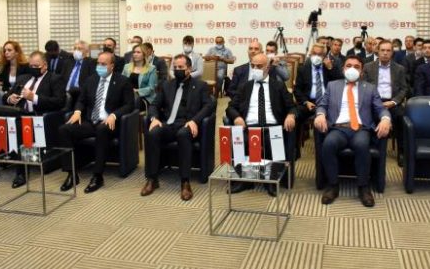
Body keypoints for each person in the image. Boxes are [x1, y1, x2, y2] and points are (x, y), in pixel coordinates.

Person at [0, 51, 66, 186]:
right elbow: (6, 96)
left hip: (37, 118)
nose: (33, 69)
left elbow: (59, 102)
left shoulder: (55, 79)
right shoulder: (23, 78)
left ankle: (21, 172)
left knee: (20, 124)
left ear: (45, 65)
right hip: (15, 114)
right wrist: (10, 99)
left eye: (36, 66)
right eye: (31, 66)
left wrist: (34, 98)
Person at [314, 55, 391, 207]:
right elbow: (322, 104)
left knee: (362, 145)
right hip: (339, 128)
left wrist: (385, 119)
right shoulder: (332, 86)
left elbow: (380, 108)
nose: (352, 69)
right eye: (348, 66)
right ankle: (333, 185)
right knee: (328, 144)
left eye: (356, 67)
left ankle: (363, 187)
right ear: (343, 69)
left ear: (361, 72)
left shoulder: (370, 88)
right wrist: (320, 114)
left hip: (361, 129)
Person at [58, 51, 134, 194]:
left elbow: (129, 105)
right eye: (98, 63)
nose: (99, 66)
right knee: (64, 129)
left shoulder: (123, 81)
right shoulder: (91, 80)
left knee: (101, 129)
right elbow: (81, 100)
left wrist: (114, 115)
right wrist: (77, 111)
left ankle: (97, 175)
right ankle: (71, 174)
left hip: (109, 123)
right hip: (90, 121)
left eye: (103, 64)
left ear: (112, 66)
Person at [141, 54, 214, 201]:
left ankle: (185, 181)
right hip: (168, 124)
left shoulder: (201, 86)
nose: (177, 70)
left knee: (183, 134)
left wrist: (194, 121)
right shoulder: (167, 85)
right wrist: (154, 118)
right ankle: (152, 178)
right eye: (175, 67)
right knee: (153, 133)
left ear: (189, 68)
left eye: (181, 67)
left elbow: (208, 106)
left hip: (187, 124)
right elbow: (154, 104)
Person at [225, 53, 297, 196]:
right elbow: (231, 107)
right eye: (253, 66)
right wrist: (237, 117)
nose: (255, 69)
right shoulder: (245, 86)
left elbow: (292, 106)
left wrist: (291, 115)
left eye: (259, 66)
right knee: (240, 139)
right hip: (249, 126)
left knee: (275, 140)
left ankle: (272, 181)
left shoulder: (278, 86)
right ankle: (244, 181)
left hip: (272, 126)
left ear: (268, 67)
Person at [362, 40, 409, 166]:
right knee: (365, 116)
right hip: (373, 103)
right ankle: (369, 148)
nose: (385, 53)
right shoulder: (368, 67)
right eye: (382, 50)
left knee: (402, 118)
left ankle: (401, 152)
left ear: (392, 53)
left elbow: (404, 89)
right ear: (377, 51)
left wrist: (394, 102)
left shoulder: (399, 68)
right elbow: (363, 86)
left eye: (388, 51)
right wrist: (375, 102)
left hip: (392, 102)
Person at [294, 43, 342, 155]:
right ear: (310, 54)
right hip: (309, 103)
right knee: (293, 117)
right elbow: (297, 90)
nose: (316, 56)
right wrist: (305, 102)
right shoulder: (303, 69)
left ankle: (323, 153)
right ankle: (294, 152)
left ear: (324, 56)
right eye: (314, 53)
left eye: (320, 54)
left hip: (327, 103)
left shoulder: (330, 67)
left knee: (322, 120)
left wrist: (330, 68)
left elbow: (340, 83)